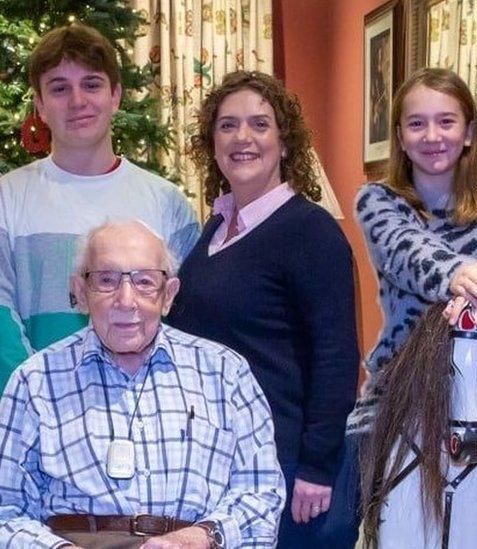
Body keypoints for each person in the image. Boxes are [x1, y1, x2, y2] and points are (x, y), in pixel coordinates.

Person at [327, 67, 477, 548]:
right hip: (397, 384)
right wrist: (461, 276)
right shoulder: (377, 200)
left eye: (446, 122)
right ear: (399, 135)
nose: (432, 136)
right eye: (416, 124)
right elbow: (405, 252)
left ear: (469, 133)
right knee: (332, 527)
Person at [0, 220, 284, 548]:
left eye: (144, 281)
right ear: (80, 292)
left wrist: (199, 537)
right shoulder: (35, 382)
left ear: (169, 295)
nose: (126, 300)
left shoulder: (225, 374)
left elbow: (261, 496)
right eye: (106, 280)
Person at [165, 71, 360, 547]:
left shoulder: (310, 232)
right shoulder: (214, 229)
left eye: (259, 124)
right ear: (212, 144)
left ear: (285, 142)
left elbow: (336, 357)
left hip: (287, 464)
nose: (242, 137)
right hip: (218, 463)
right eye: (227, 126)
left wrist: (316, 466)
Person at [0, 23, 199, 400]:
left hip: (148, 415)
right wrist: (40, 404)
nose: (77, 100)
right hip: (41, 417)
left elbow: (186, 318)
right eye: (59, 88)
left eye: (91, 84)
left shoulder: (167, 203)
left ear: (116, 95)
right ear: (39, 104)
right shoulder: (1, 202)